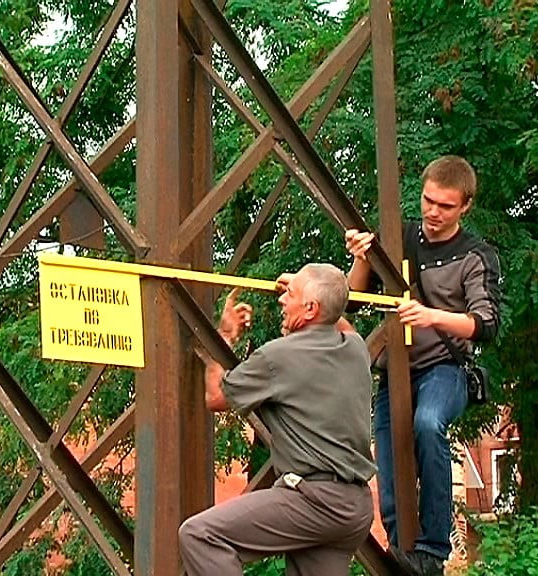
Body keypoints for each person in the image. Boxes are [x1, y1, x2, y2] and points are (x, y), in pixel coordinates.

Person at [344, 155, 501, 576]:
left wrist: (433, 316)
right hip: (393, 370)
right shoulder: (400, 238)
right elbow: (353, 302)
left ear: (465, 206)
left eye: (445, 206)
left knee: (428, 423)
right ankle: (400, 548)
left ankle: (432, 548)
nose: (433, 212)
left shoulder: (476, 255)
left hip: (445, 369)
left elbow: (485, 324)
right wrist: (362, 256)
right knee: (389, 450)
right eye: (428, 201)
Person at [178, 263, 376, 576]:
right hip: (354, 508)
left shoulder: (277, 357)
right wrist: (315, 291)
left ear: (310, 308)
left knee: (201, 535)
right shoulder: (354, 348)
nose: (282, 300)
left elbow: (216, 397)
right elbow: (339, 320)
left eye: (290, 295)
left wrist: (226, 334)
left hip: (314, 501)